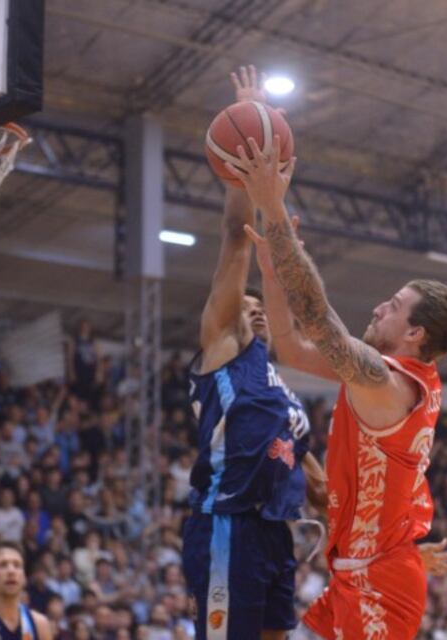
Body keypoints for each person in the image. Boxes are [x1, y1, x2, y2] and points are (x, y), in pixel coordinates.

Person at [231, 131, 447, 638]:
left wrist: (274, 212)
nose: (378, 308)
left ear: (415, 333)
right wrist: (273, 276)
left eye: (391, 306)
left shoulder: (385, 381)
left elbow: (319, 321)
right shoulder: (388, 378)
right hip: (364, 573)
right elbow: (293, 347)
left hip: (380, 586)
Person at [180, 65, 324, 640]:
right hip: (228, 525)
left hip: (275, 531)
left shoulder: (279, 386)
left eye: (262, 304)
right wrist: (250, 156)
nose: (257, 308)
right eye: (247, 303)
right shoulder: (221, 349)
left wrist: (334, 501)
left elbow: (304, 461)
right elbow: (238, 237)